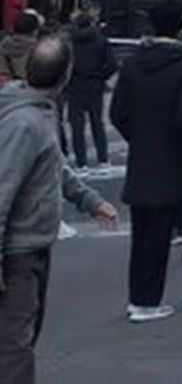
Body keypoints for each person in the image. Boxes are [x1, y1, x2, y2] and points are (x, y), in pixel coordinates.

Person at [0, 34, 119, 384]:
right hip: (18, 250)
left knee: (20, 337)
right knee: (14, 345)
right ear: (66, 74)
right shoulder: (25, 123)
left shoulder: (36, 113)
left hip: (30, 244)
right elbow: (2, 188)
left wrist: (89, 200)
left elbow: (54, 164)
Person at [110, 0, 182, 322]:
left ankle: (138, 297)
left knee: (142, 233)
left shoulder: (133, 63)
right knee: (160, 235)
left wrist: (140, 136)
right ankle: (150, 301)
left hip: (142, 157)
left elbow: (118, 112)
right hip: (172, 157)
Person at [63, 9, 116, 173]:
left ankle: (81, 162)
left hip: (75, 85)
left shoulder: (70, 43)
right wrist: (102, 77)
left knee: (77, 126)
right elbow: (112, 65)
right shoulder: (101, 41)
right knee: (97, 123)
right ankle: (103, 159)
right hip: (95, 84)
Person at [1, 12, 41, 84]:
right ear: (35, 31)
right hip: (29, 88)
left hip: (5, 87)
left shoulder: (3, 45)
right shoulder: (38, 49)